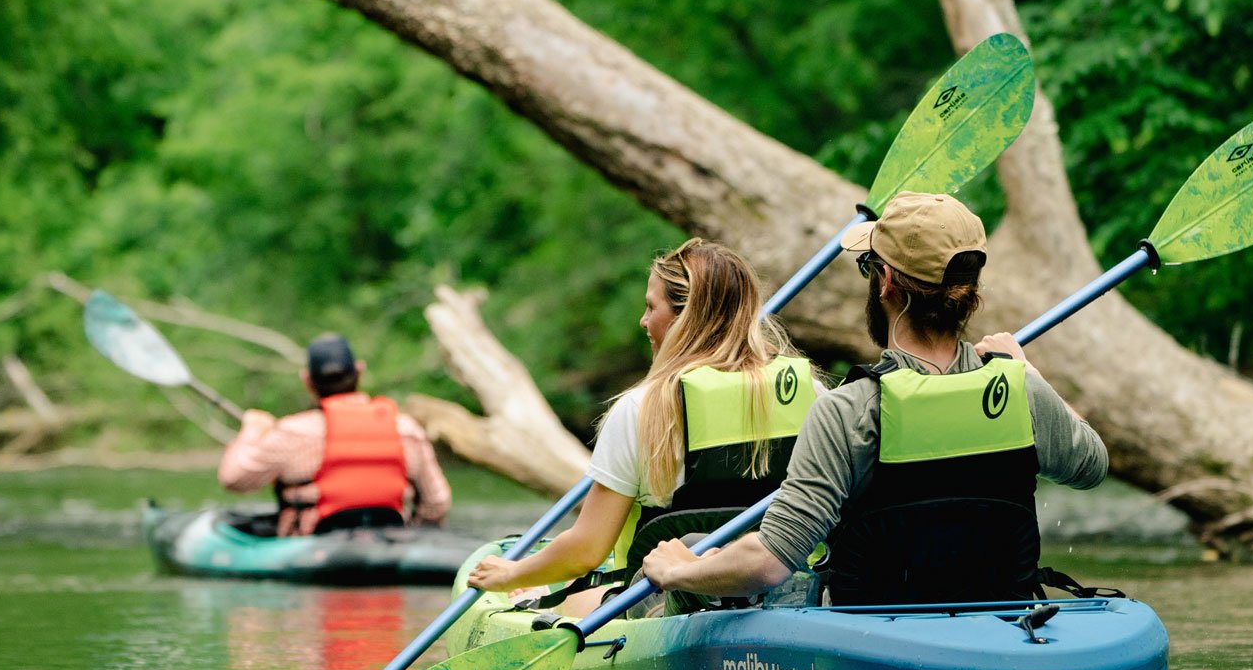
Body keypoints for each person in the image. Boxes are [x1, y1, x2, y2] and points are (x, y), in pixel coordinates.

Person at [638, 192, 1107, 607]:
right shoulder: (1019, 389)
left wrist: (678, 570)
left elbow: (772, 560)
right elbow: (1091, 466)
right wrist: (1026, 370)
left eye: (868, 267)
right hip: (999, 616)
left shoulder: (848, 410)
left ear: (884, 282)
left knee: (692, 547)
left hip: (875, 633)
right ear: (970, 293)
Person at [465, 238, 816, 613]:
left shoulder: (642, 409)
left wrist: (514, 574)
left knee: (559, 596)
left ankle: (539, 605)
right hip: (783, 589)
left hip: (667, 601)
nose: (643, 321)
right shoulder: (810, 391)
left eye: (652, 307)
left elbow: (586, 550)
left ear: (685, 319)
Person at [217, 333, 451, 536]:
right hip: (394, 542)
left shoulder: (292, 432)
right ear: (359, 371)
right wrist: (418, 534)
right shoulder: (405, 428)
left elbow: (233, 478)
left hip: (314, 548)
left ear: (307, 380)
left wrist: (253, 428)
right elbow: (437, 502)